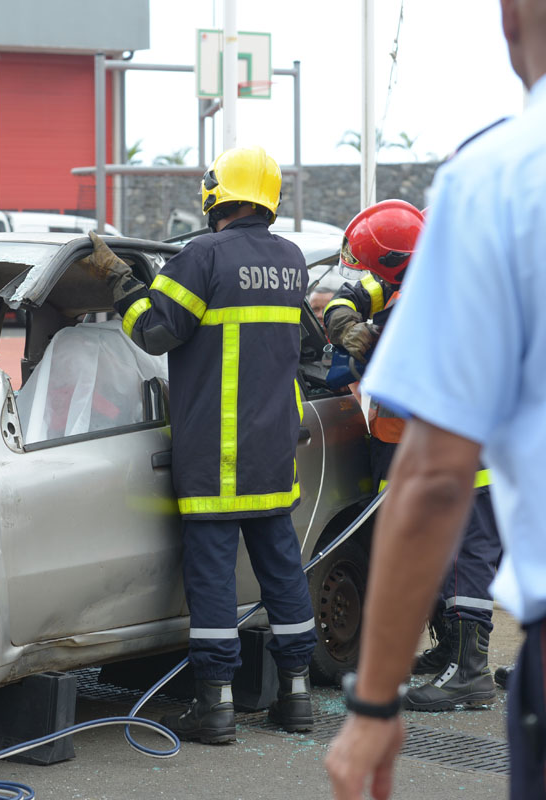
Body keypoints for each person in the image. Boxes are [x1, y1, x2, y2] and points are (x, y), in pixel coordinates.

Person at [324, 1, 546, 796]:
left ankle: (463, 668)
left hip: (475, 478)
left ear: (512, 17)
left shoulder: (501, 181)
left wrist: (374, 700)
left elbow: (436, 469)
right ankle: (454, 658)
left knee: (467, 568)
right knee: (466, 566)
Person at [79, 145, 316, 742]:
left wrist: (119, 281)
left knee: (211, 577)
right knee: (282, 570)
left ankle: (215, 708)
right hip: (273, 450)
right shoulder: (291, 260)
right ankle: (298, 695)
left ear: (217, 194)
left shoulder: (202, 255)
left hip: (217, 453)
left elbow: (154, 332)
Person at [323, 200, 502, 712]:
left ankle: (470, 675)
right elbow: (355, 291)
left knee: (470, 554)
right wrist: (344, 323)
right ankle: (453, 654)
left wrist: (371, 353)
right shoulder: (418, 271)